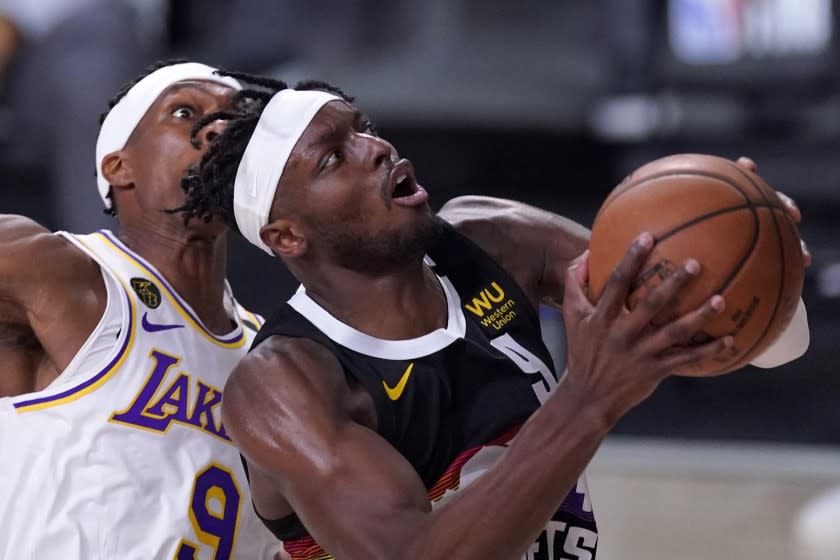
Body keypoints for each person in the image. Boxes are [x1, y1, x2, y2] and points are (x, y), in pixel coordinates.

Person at [176, 76, 809, 560]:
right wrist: (588, 399)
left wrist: (760, 258)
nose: (374, 148)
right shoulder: (284, 387)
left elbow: (753, 341)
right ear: (288, 236)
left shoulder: (494, 239)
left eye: (361, 127)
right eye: (333, 158)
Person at [0, 61, 282, 558]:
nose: (220, 129)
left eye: (238, 122)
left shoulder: (278, 360)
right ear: (118, 165)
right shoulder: (58, 272)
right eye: (185, 112)